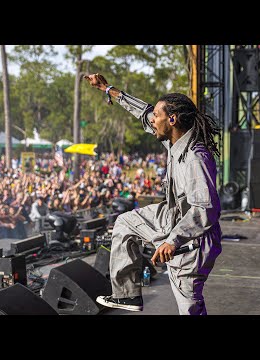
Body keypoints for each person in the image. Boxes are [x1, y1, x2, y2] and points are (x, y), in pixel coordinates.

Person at [84, 73, 222, 315]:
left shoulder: (194, 157)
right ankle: (127, 296)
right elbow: (143, 112)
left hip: (194, 239)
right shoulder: (173, 141)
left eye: (157, 117)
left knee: (189, 306)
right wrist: (107, 89)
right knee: (125, 222)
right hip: (172, 217)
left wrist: (173, 239)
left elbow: (206, 209)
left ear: (172, 119)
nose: (152, 121)